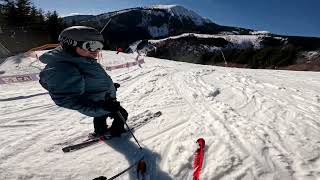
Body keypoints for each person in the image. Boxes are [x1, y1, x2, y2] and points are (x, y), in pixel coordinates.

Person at [39, 26, 127, 137]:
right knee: (122, 114)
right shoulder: (64, 68)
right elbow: (67, 100)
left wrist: (110, 87)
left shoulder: (82, 60)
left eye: (99, 45)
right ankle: (116, 132)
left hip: (102, 101)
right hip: (97, 105)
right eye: (90, 45)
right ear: (70, 45)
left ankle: (100, 131)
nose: (96, 50)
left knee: (100, 117)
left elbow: (91, 80)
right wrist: (101, 108)